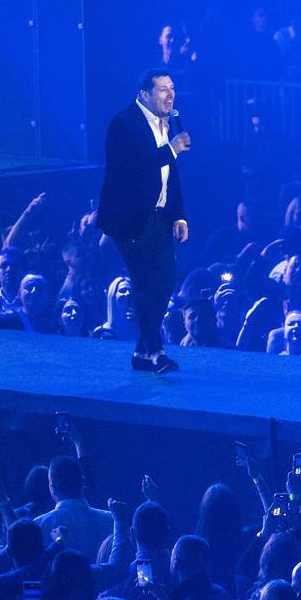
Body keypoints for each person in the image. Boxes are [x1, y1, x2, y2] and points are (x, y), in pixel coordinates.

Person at [95, 69, 190, 374]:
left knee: (164, 282)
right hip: (129, 219)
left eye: (172, 89)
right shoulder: (123, 125)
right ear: (144, 95)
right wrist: (171, 150)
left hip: (160, 217)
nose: (169, 95)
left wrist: (179, 214)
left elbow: (170, 177)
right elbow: (133, 170)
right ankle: (157, 351)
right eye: (163, 90)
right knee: (143, 281)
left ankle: (141, 352)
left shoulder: (165, 125)